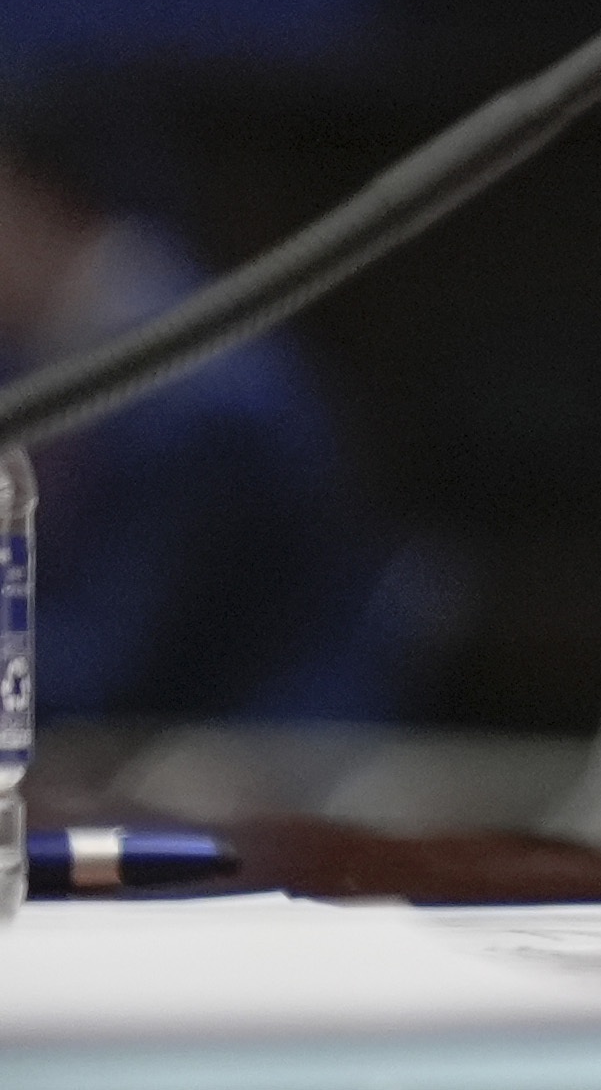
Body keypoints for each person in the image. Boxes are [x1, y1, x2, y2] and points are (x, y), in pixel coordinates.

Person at [0, 72, 407, 724]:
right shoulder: (40, 355)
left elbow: (116, 667)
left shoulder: (205, 397)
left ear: (42, 195)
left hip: (271, 768)